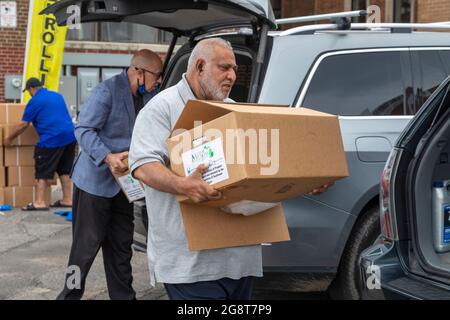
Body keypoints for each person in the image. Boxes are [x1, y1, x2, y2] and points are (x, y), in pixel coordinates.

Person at [56, 49, 163, 300]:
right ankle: (67, 297)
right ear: (138, 71)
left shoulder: (151, 96)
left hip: (124, 186)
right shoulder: (107, 91)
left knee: (121, 248)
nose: (158, 81)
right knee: (83, 251)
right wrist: (107, 156)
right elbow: (83, 130)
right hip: (93, 184)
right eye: (156, 76)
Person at [5, 78, 76, 210]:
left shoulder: (35, 101)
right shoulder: (57, 95)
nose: (29, 94)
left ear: (32, 89)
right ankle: (67, 199)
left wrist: (9, 138)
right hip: (70, 137)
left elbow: (23, 124)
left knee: (42, 171)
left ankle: (39, 202)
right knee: (64, 170)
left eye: (28, 91)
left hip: (51, 139)